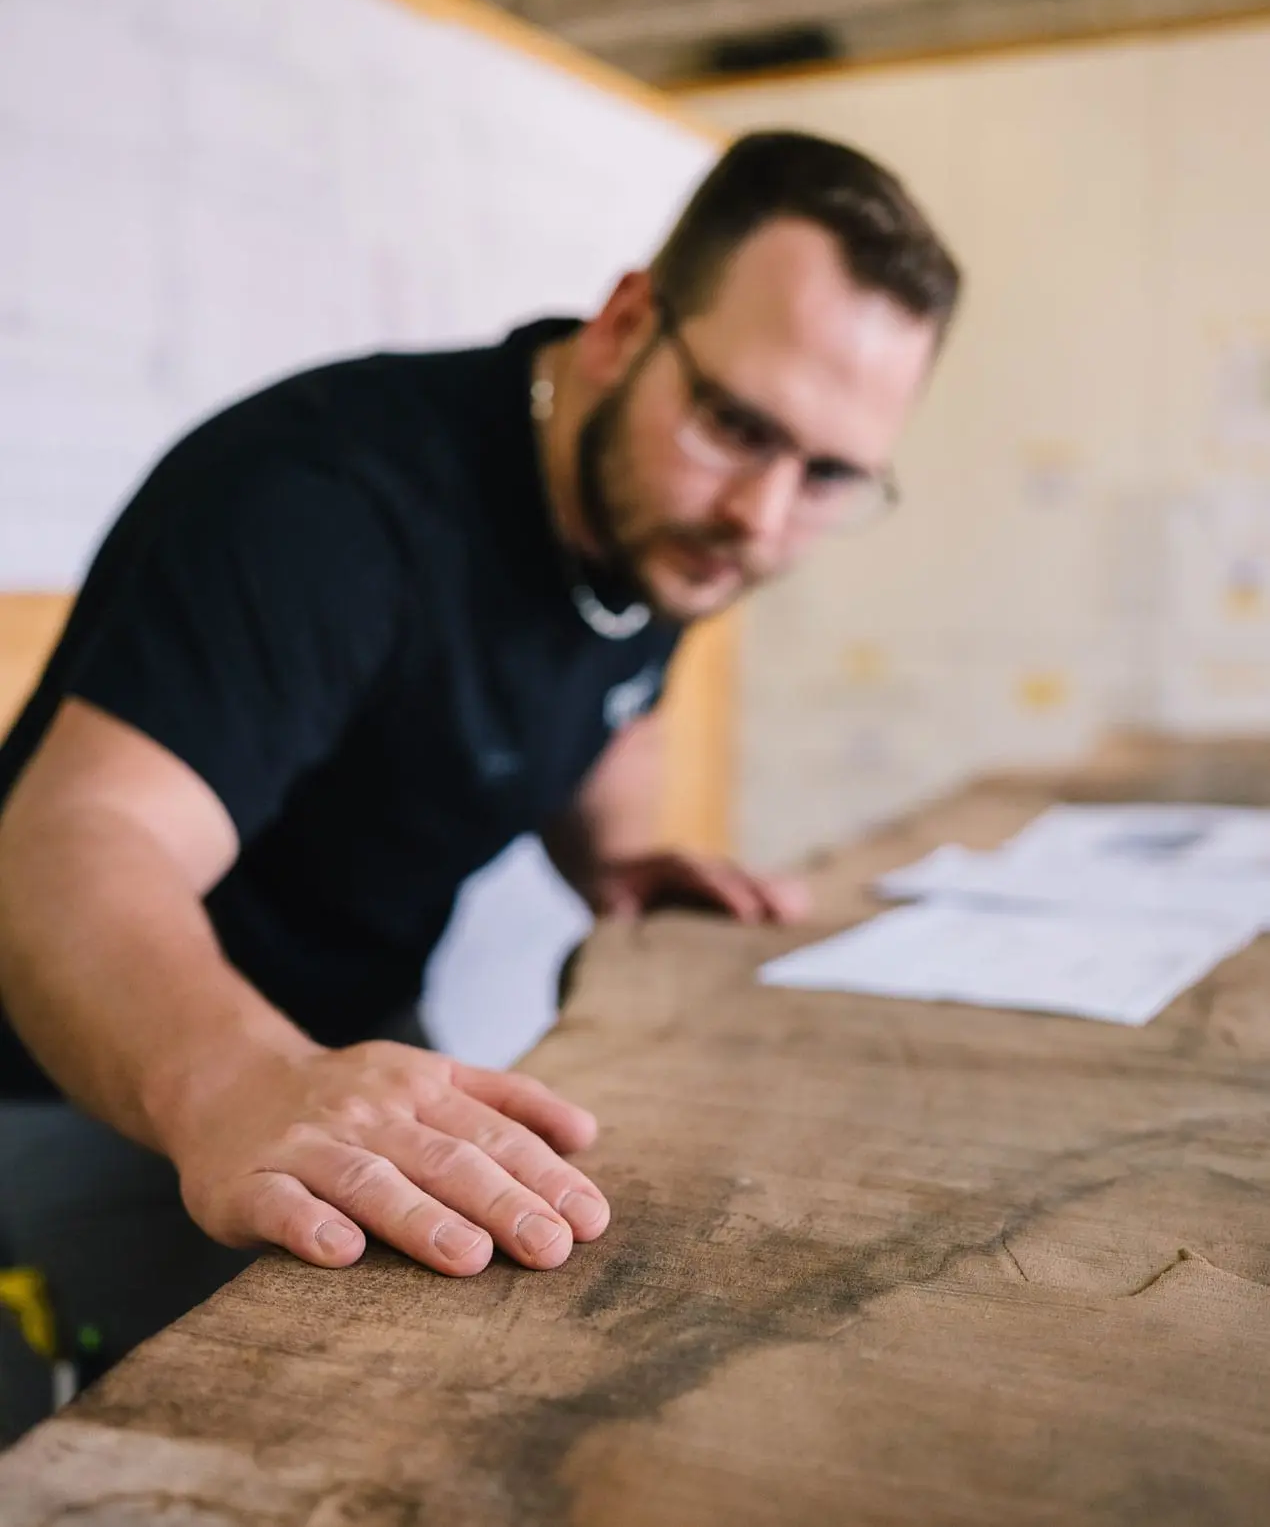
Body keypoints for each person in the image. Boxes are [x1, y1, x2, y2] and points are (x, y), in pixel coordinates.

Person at [0, 130, 960, 1417]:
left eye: (830, 474)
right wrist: (236, 1081)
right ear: (627, 324)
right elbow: (73, 842)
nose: (763, 518)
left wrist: (616, 857)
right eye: (738, 426)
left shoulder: (657, 519)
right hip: (85, 1085)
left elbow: (607, 688)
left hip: (342, 1055)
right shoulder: (325, 504)